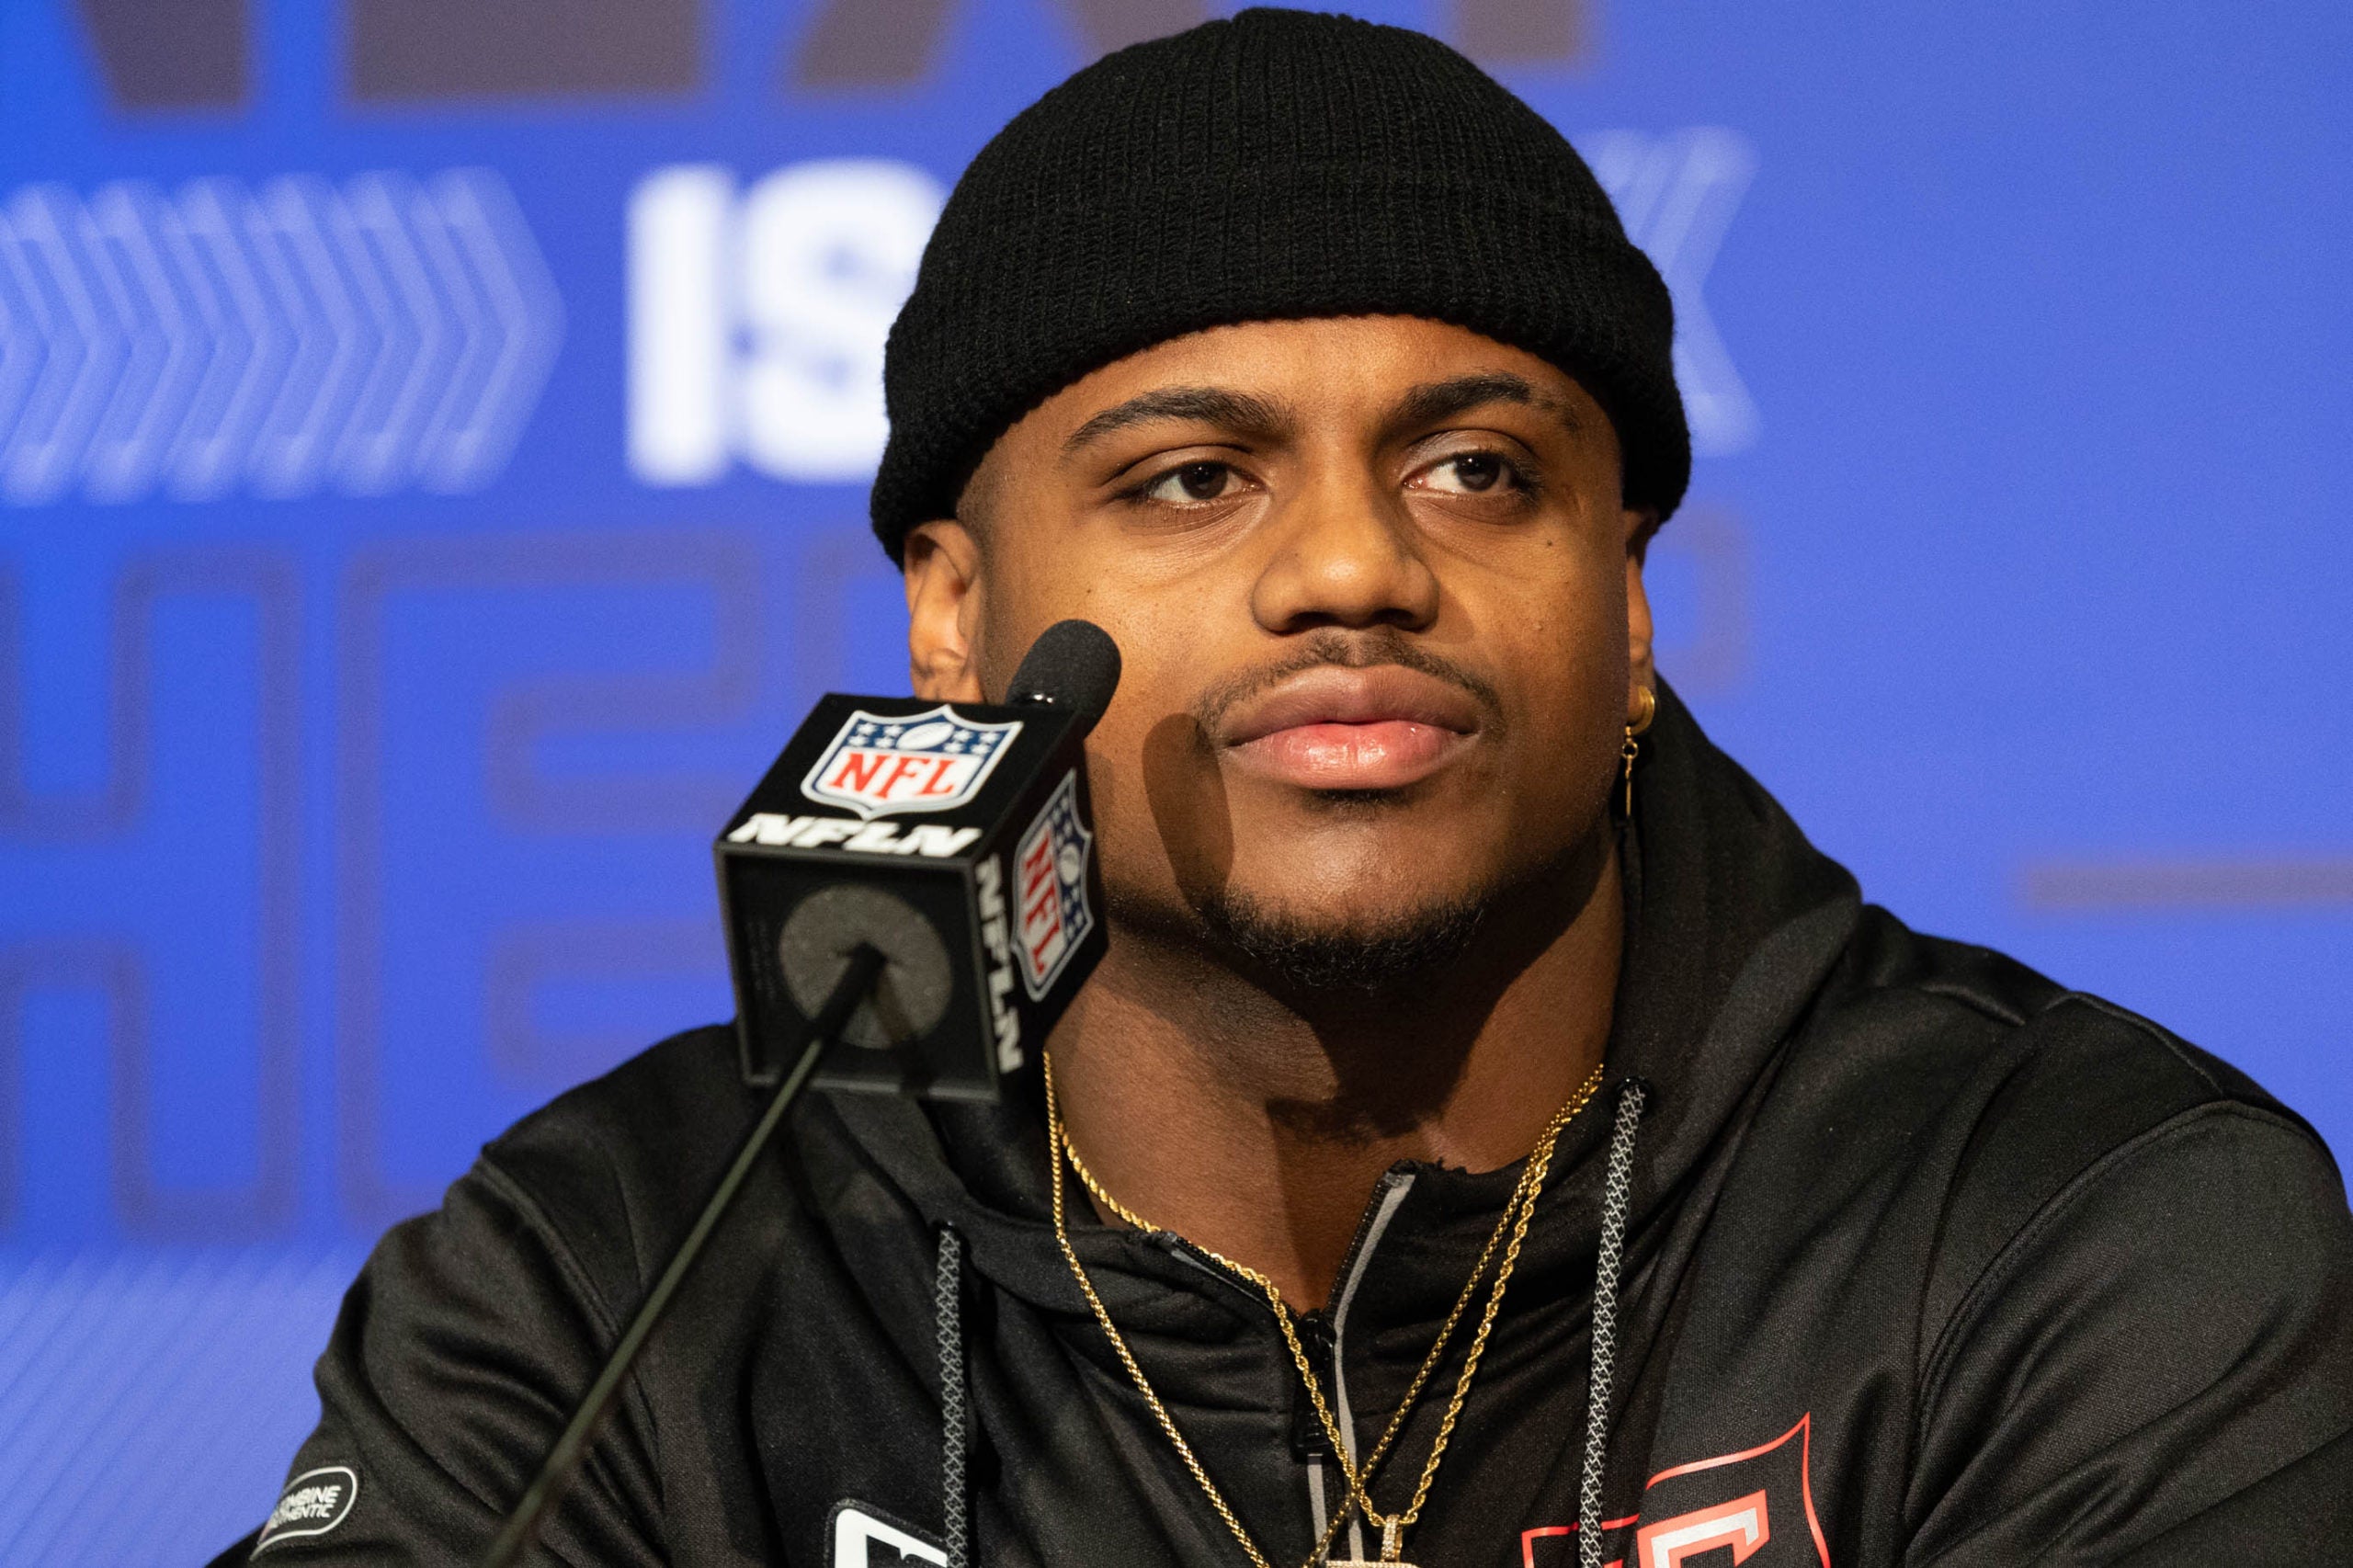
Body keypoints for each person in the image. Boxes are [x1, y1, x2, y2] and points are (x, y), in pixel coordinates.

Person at [233, 10, 2353, 1565]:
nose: (1352, 565)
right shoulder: (631, 1269)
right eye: (1188, 478)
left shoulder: (2070, 1222)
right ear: (953, 623)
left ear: (1620, 598)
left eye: (1475, 469)